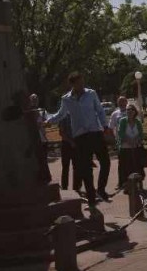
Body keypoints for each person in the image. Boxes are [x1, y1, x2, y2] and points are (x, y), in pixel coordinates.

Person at [47, 72, 112, 208]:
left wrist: (105, 126)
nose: (82, 85)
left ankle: (101, 188)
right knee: (85, 169)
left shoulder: (91, 93)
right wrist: (47, 121)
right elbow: (61, 114)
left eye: (83, 82)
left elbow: (99, 110)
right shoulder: (67, 99)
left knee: (105, 162)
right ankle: (91, 197)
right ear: (73, 84)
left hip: (95, 132)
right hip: (81, 137)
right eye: (79, 83)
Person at [117, 103, 146, 190]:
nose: (129, 111)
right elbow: (121, 133)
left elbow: (141, 134)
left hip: (136, 148)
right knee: (125, 167)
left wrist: (136, 140)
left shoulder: (138, 121)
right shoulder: (123, 121)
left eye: (131, 109)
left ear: (135, 112)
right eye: (127, 110)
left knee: (137, 166)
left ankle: (138, 184)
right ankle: (125, 185)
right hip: (125, 148)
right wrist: (130, 140)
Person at [29, 94, 52, 184]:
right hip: (34, 140)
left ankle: (46, 176)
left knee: (44, 159)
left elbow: (49, 123)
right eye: (32, 99)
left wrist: (42, 123)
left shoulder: (42, 111)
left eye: (36, 99)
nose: (34, 100)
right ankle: (41, 176)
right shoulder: (29, 112)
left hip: (43, 139)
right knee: (37, 160)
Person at [109, 96, 129, 188]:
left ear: (126, 102)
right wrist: (113, 139)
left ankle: (133, 181)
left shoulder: (131, 111)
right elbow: (111, 127)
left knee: (132, 161)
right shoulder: (115, 114)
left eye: (123, 101)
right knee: (121, 162)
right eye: (119, 102)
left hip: (132, 140)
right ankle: (121, 182)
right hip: (120, 141)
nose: (121, 103)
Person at [59, 116, 82, 192]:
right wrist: (71, 142)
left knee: (77, 166)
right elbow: (62, 132)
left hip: (76, 144)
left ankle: (77, 187)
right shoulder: (63, 117)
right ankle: (64, 187)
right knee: (65, 167)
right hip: (66, 145)